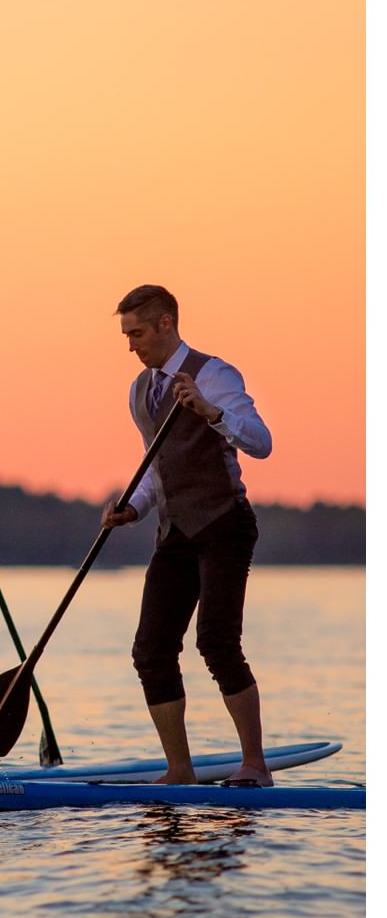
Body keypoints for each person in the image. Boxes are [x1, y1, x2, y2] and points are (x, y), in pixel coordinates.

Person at [101, 285, 274, 785]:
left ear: (166, 324)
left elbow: (262, 443)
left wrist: (210, 411)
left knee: (217, 643)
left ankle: (254, 767)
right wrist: (130, 509)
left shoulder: (214, 374)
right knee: (151, 649)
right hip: (174, 530)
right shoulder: (140, 390)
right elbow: (156, 468)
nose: (130, 345)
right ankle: (180, 770)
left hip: (224, 522)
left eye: (137, 333)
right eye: (125, 335)